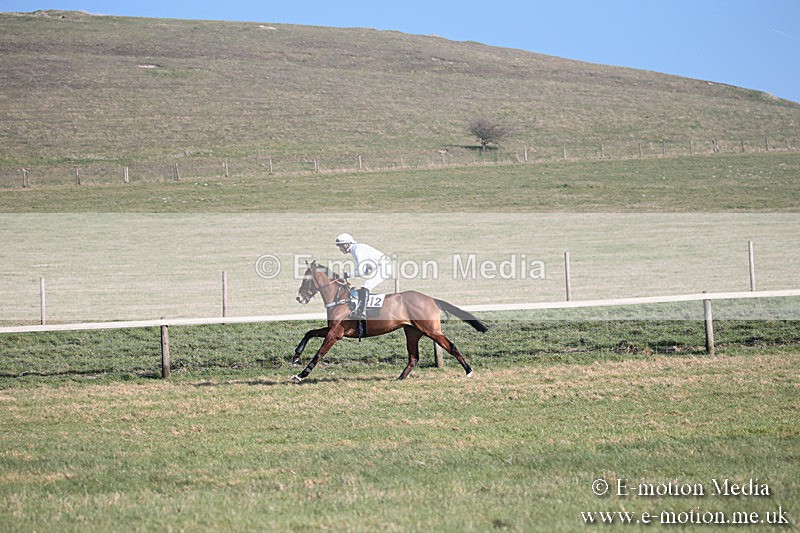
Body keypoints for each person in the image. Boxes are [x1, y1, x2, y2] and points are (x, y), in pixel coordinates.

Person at [334, 233, 393, 320]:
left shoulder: (357, 249)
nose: (340, 249)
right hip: (383, 266)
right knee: (365, 286)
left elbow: (361, 272)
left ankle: (361, 313)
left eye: (340, 246)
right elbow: (364, 271)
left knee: (366, 286)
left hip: (384, 266)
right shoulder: (356, 249)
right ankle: (361, 311)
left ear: (346, 244)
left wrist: (346, 275)